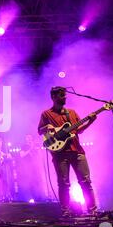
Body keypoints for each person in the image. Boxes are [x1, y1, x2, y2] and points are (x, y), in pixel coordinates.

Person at [38, 86, 98, 217]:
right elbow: (39, 131)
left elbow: (79, 130)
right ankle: (66, 211)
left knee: (86, 181)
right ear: (53, 97)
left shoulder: (71, 113)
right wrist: (46, 126)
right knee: (63, 184)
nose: (65, 97)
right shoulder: (46, 114)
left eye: (65, 95)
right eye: (61, 95)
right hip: (59, 153)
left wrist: (90, 122)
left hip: (77, 151)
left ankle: (93, 211)